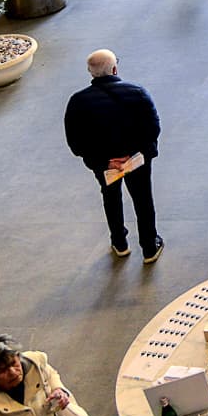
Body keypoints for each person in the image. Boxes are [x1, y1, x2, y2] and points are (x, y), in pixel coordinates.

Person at [64, 49, 164, 261]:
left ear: (91, 73)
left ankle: (119, 242)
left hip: (105, 165)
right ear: (115, 68)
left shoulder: (77, 102)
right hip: (136, 161)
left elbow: (76, 142)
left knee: (110, 197)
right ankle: (149, 247)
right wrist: (134, 156)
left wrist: (105, 161)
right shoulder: (138, 92)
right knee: (143, 199)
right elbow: (152, 129)